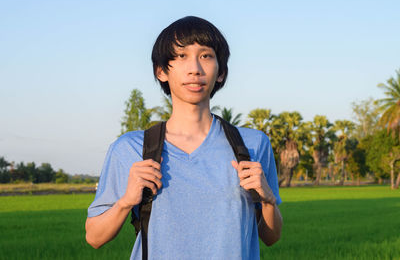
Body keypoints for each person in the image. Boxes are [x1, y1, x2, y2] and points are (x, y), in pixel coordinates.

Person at [85, 16, 283, 260]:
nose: (195, 69)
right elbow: (94, 238)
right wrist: (126, 202)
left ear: (220, 72)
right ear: (161, 71)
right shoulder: (130, 148)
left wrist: (268, 200)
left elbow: (271, 237)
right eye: (181, 56)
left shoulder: (252, 144)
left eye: (206, 56)